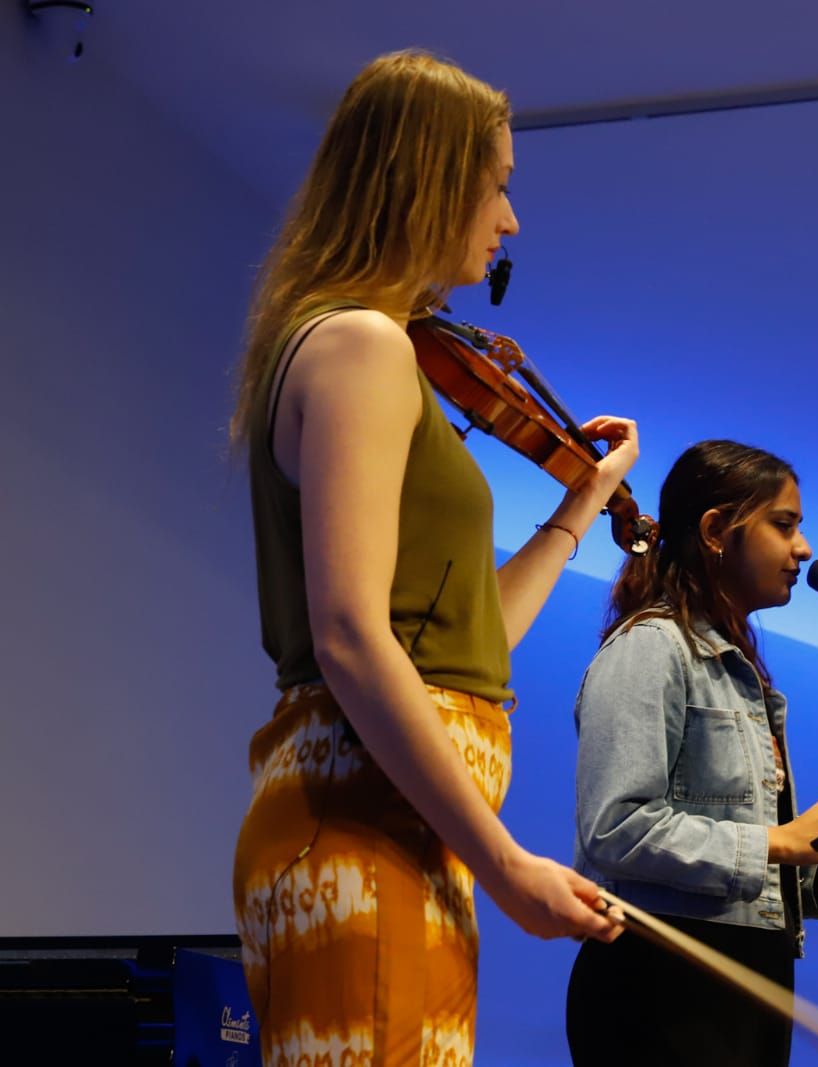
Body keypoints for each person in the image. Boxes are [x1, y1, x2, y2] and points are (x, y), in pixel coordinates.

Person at [227, 50, 629, 1065]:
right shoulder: (362, 344)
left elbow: (458, 640)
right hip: (366, 825)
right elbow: (354, 637)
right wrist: (504, 863)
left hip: (403, 828)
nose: (509, 219)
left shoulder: (362, 345)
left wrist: (576, 511)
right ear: (429, 179)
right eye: (496, 184)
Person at [565, 440, 818, 1067]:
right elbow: (615, 829)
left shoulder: (740, 673)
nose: (804, 548)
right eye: (783, 524)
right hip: (660, 987)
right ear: (714, 531)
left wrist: (816, 883)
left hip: (741, 979)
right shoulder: (651, 647)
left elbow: (724, 849)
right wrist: (779, 844)